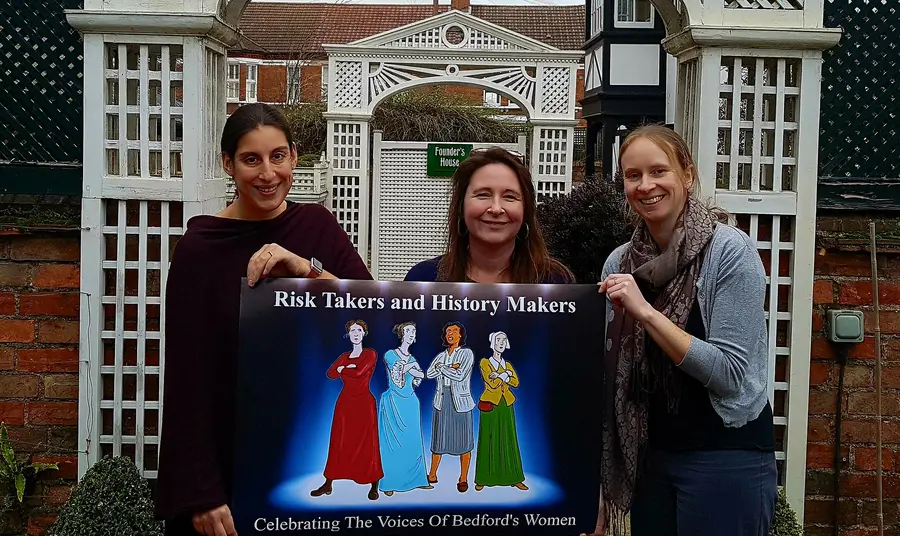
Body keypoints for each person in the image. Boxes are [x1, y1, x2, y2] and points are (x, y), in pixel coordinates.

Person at [155, 103, 372, 536]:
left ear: (294, 156)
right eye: (251, 159)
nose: (267, 174)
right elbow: (186, 377)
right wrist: (202, 492)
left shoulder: (318, 227)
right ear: (228, 164)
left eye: (277, 156)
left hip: (301, 448)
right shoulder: (199, 249)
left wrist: (306, 270)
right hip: (228, 454)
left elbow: (368, 313)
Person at [596, 124, 776, 536]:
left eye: (659, 171)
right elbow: (609, 377)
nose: (646, 185)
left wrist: (646, 313)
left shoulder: (730, 252)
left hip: (725, 456)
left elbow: (729, 374)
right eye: (633, 175)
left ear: (687, 174)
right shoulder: (619, 264)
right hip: (650, 460)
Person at [404, 147, 574, 284]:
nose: (496, 208)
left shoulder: (555, 282)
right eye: (483, 195)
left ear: (526, 210)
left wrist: (599, 305)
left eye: (510, 197)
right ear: (461, 206)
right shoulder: (423, 279)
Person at [312, 320, 384, 500]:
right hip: (345, 403)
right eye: (353, 330)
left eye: (359, 330)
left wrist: (344, 369)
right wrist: (346, 367)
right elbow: (331, 373)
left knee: (368, 443)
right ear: (348, 334)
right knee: (339, 441)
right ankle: (328, 483)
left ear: (364, 333)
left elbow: (360, 372)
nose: (356, 333)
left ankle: (374, 484)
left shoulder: (370, 354)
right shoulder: (345, 356)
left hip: (364, 403)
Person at [377, 321, 431, 496]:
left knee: (413, 442)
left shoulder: (413, 359)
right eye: (408, 331)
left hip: (410, 402)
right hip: (393, 402)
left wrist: (418, 370)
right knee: (392, 445)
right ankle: (390, 483)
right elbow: (397, 375)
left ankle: (418, 480)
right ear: (401, 334)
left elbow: (419, 376)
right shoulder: (390, 355)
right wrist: (413, 368)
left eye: (413, 331)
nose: (411, 334)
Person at [425, 321, 476, 492]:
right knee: (438, 440)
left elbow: (460, 375)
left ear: (460, 335)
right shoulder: (441, 356)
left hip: (460, 402)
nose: (450, 334)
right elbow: (430, 373)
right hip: (442, 399)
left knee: (464, 441)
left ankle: (463, 478)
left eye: (454, 331)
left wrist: (443, 368)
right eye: (448, 331)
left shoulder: (466, 354)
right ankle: (432, 474)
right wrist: (447, 367)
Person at [474, 331, 527, 491]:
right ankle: (482, 479)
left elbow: (515, 382)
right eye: (498, 340)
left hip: (506, 404)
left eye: (504, 339)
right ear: (492, 342)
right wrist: (505, 375)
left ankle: (514, 478)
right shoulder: (485, 362)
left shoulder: (507, 364)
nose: (501, 342)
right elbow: (492, 384)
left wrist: (501, 374)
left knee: (508, 438)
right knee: (488, 438)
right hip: (491, 404)